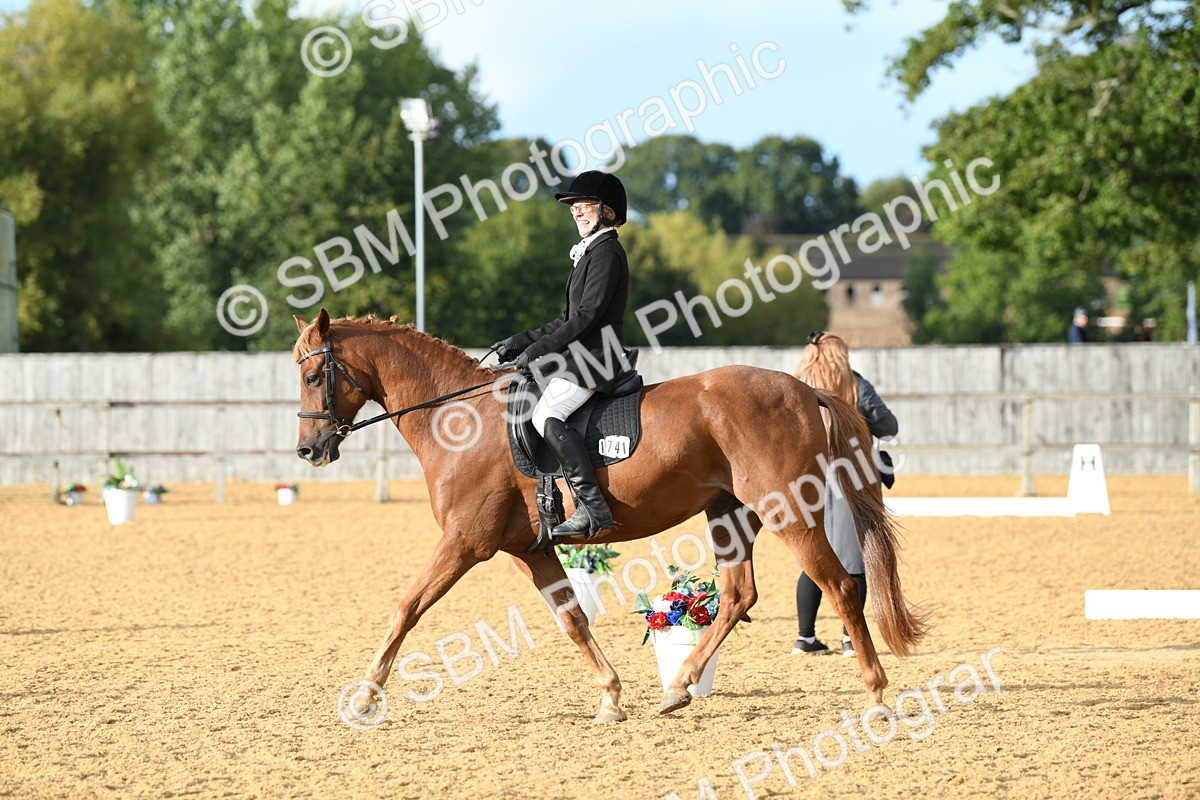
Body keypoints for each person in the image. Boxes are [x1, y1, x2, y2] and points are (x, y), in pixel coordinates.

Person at [490, 171, 630, 538]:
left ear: (608, 212)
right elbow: (566, 318)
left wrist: (538, 351)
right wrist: (520, 340)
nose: (577, 213)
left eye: (584, 207)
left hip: (599, 358)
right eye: (575, 208)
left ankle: (592, 508)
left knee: (547, 414)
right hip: (581, 357)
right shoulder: (591, 253)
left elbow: (587, 317)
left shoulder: (607, 252)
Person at [791, 330, 898, 657]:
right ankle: (850, 637)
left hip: (807, 478)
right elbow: (888, 426)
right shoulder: (855, 385)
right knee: (854, 559)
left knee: (814, 556)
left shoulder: (797, 386)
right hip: (853, 477)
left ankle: (805, 637)